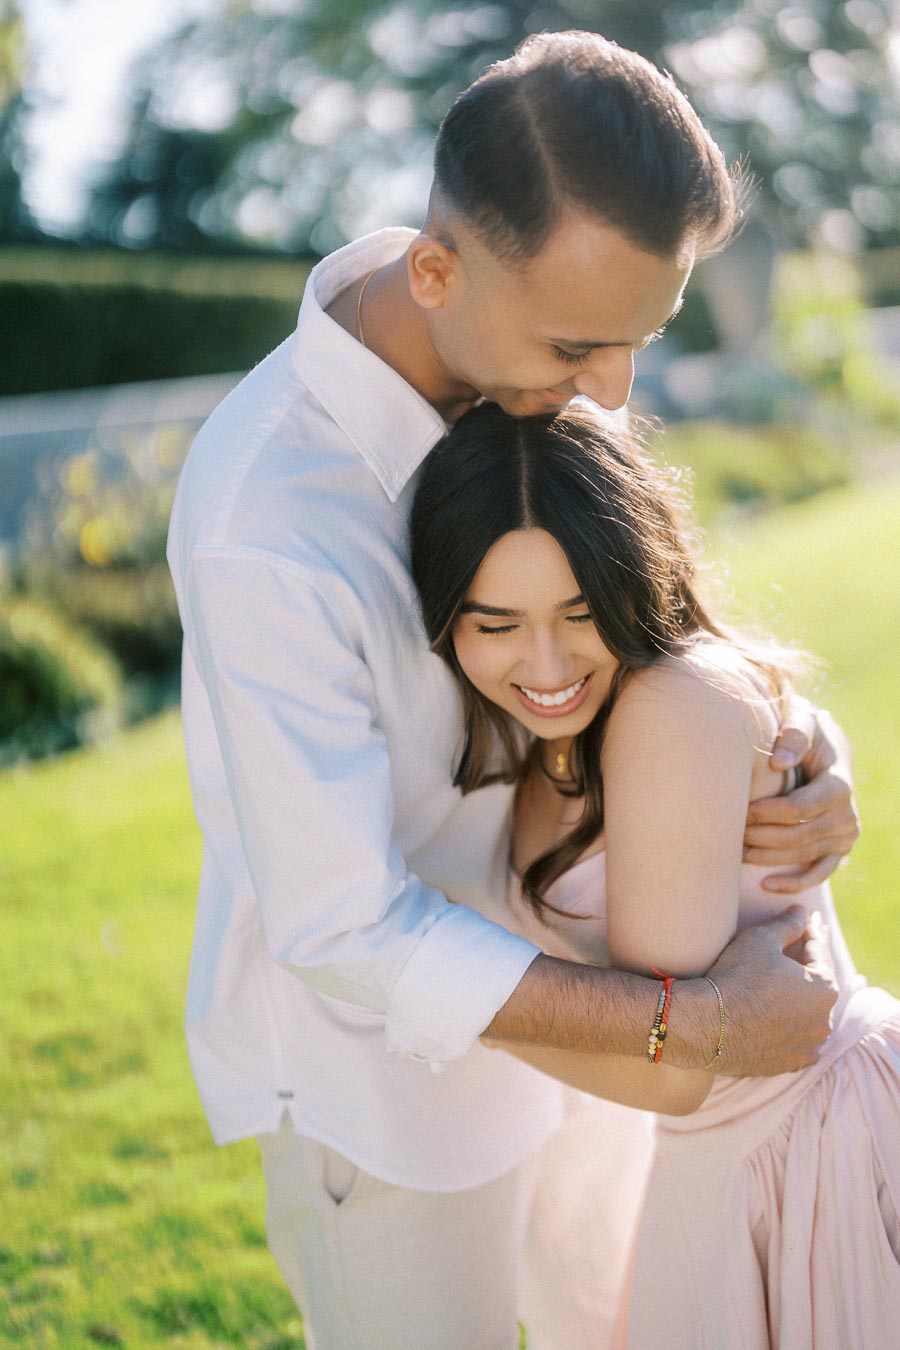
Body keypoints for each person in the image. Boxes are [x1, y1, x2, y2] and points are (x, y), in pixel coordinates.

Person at [167, 30, 858, 1350]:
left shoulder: (526, 361)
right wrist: (691, 1021)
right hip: (400, 1094)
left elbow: (663, 637)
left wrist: (797, 761)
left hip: (608, 1023)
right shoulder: (268, 516)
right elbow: (337, 922)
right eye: (582, 345)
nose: (613, 393)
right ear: (436, 271)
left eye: (638, 341)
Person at [409, 398, 900, 1349]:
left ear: (636, 578)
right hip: (726, 1164)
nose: (545, 662)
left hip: (805, 1162)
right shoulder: (555, 730)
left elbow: (679, 1073)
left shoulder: (670, 703)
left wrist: (438, 996)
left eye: (582, 612)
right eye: (495, 622)